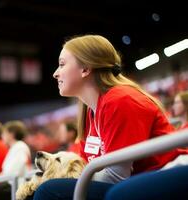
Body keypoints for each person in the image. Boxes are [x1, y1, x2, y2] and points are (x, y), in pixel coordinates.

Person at [28, 34, 183, 200]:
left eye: (62, 65)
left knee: (49, 190)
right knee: (38, 190)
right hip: (137, 181)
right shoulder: (90, 112)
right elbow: (86, 168)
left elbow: (115, 177)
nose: (55, 74)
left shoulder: (120, 100)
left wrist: (57, 180)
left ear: (86, 69)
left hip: (171, 175)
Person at [0, 120, 32, 200]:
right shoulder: (13, 148)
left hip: (16, 187)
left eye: (4, 133)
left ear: (11, 134)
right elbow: (5, 172)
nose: (2, 136)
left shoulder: (20, 147)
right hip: (10, 184)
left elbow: (12, 173)